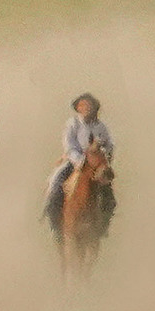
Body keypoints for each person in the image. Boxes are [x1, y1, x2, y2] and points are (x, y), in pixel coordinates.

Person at [44, 93, 114, 228]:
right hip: (75, 161)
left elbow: (109, 145)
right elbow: (69, 146)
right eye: (83, 105)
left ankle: (103, 223)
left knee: (108, 193)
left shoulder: (100, 126)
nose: (86, 108)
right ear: (78, 108)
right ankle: (54, 218)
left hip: (97, 164)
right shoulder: (73, 124)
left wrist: (101, 153)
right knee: (55, 182)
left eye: (89, 105)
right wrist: (82, 161)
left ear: (95, 108)